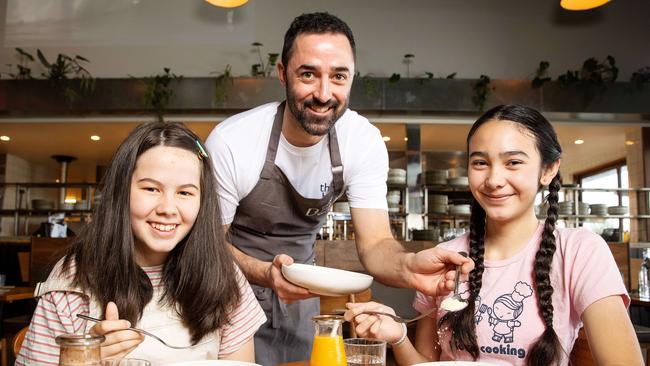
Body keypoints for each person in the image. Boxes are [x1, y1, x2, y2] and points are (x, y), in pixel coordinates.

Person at [205, 11, 472, 365]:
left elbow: (376, 245)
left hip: (303, 297)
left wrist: (410, 267)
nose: (324, 93)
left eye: (339, 76)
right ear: (283, 73)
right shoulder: (234, 141)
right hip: (227, 291)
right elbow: (208, 244)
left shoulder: (360, 141)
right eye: (308, 74)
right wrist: (264, 273)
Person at [344, 104, 643, 365]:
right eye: (480, 163)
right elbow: (425, 364)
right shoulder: (445, 258)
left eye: (513, 162)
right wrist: (398, 338)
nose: (494, 180)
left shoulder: (579, 251)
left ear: (548, 170)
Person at [16, 122, 266, 365]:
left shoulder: (224, 275)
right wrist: (85, 358)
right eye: (151, 189)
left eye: (185, 193)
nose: (168, 209)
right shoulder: (72, 279)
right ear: (121, 192)